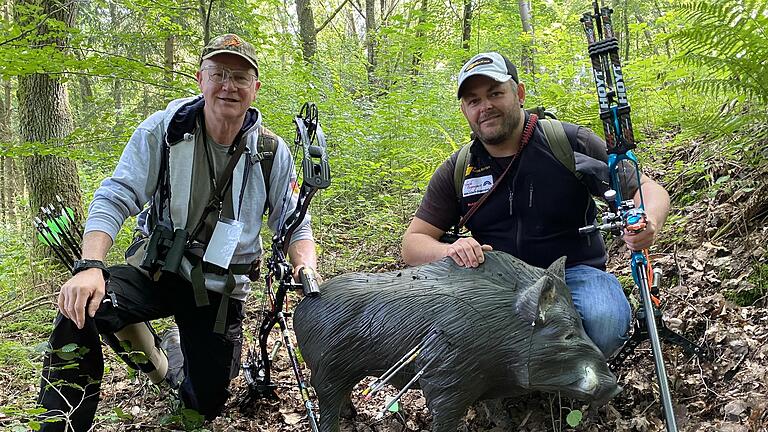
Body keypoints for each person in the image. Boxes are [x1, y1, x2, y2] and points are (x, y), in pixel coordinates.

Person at [37, 34, 319, 431]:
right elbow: (117, 193)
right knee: (79, 307)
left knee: (207, 402)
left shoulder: (272, 153)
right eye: (218, 73)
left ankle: (178, 358)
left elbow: (293, 223)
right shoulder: (166, 130)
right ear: (200, 79)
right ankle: (60, 424)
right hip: (158, 271)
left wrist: (306, 268)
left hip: (220, 289)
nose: (228, 86)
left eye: (239, 76)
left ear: (255, 87)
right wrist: (90, 265)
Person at [401, 52, 670, 358]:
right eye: (473, 101)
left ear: (519, 93)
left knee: (606, 322)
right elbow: (412, 243)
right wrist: (450, 250)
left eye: (495, 93)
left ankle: (572, 374)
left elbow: (647, 189)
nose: (485, 106)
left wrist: (645, 219)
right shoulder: (459, 167)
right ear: (465, 110)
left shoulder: (566, 141)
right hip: (496, 283)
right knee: (447, 337)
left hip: (575, 273)